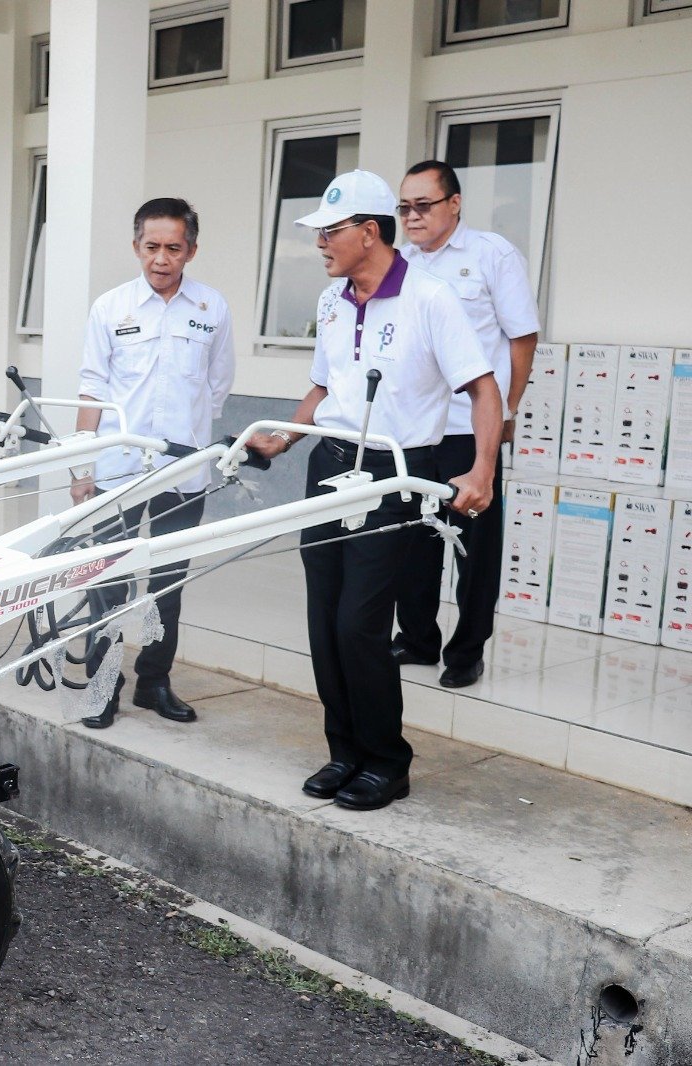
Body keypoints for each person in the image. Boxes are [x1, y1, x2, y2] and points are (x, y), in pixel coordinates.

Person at [245, 170, 499, 812]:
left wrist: (482, 470)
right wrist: (284, 438)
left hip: (393, 475)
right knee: (324, 620)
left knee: (360, 623)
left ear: (367, 231)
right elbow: (325, 386)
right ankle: (345, 751)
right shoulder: (332, 301)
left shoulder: (430, 298)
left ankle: (387, 760)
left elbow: (483, 387)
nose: (319, 244)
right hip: (329, 466)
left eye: (329, 232)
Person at [73, 197, 235, 730]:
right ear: (136, 246)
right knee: (109, 582)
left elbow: (217, 386)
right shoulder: (110, 307)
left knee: (167, 583)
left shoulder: (212, 308)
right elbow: (92, 388)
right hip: (117, 470)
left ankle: (154, 682)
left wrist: (191, 434)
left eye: (173, 248)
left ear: (191, 250)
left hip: (182, 471)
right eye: (151, 247)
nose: (161, 258)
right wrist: (82, 469)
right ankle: (102, 685)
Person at [392, 160, 540, 689]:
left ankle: (467, 650)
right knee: (414, 542)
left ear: (454, 204)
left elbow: (522, 337)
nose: (412, 217)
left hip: (469, 427)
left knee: (474, 547)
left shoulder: (491, 255)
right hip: (416, 428)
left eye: (423, 205)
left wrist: (507, 412)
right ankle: (417, 638)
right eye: (404, 208)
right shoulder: (401, 263)